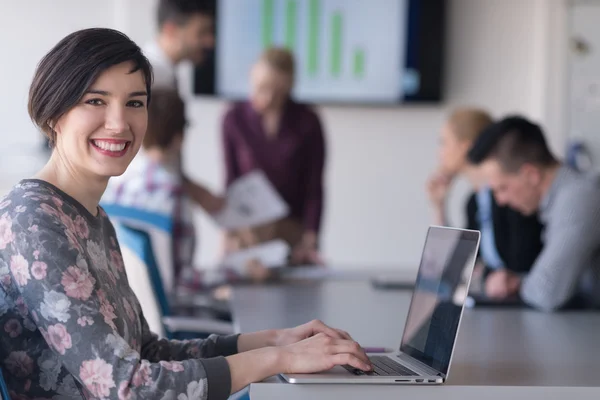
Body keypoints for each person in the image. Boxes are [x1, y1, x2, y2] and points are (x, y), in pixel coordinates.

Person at [0, 28, 371, 399]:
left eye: (134, 102)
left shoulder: (91, 217)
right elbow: (130, 388)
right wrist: (278, 358)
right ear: (53, 113)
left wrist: (277, 339)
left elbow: (148, 352)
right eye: (96, 101)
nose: (119, 123)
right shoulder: (34, 219)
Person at [102, 88, 269, 293]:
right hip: (171, 316)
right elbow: (182, 281)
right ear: (179, 137)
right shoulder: (173, 193)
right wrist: (238, 270)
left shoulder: (115, 183)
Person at [467, 116, 600, 311]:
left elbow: (547, 292)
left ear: (531, 175)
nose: (500, 201)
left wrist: (517, 283)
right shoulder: (560, 201)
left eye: (502, 188)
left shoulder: (577, 199)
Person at [222, 47, 326, 265]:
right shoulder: (234, 119)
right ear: (252, 75)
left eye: (277, 92)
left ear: (289, 86)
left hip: (292, 233)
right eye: (262, 88)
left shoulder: (308, 122)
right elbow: (231, 181)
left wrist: (311, 238)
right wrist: (228, 234)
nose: (268, 98)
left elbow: (314, 188)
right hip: (248, 231)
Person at [427, 108, 544, 287]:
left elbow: (521, 265)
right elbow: (455, 267)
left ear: (465, 147)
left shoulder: (511, 196)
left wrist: (486, 274)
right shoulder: (474, 202)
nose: (439, 153)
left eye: (443, 143)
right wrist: (439, 206)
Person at [144, 0, 215, 89]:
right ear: (171, 31)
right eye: (202, 32)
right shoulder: (142, 76)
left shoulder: (180, 72)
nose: (211, 42)